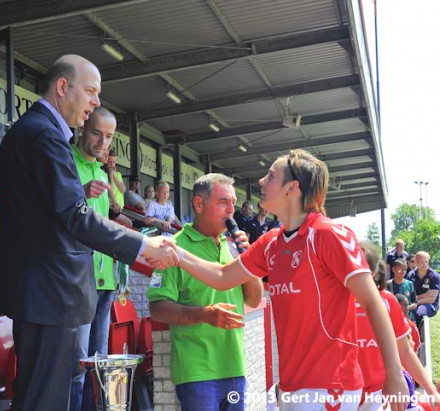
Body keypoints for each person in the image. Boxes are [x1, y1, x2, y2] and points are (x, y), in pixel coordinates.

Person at [0, 54, 178, 410]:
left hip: (43, 291)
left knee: (37, 396)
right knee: (45, 400)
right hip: (50, 293)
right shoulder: (44, 134)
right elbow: (74, 215)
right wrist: (142, 244)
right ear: (62, 87)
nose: (96, 102)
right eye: (90, 91)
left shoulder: (33, 130)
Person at [154, 149, 409, 410]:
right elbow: (221, 276)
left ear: (291, 188)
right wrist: (175, 252)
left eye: (271, 176)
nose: (261, 182)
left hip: (330, 388)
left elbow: (372, 302)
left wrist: (394, 374)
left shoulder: (329, 233)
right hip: (289, 388)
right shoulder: (270, 242)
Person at [148, 173, 263, 411]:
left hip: (235, 367)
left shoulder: (234, 246)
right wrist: (205, 314)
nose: (231, 210)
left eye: (233, 203)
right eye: (223, 202)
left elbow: (254, 298)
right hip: (197, 373)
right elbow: (157, 308)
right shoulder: (173, 248)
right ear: (198, 204)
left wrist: (248, 258)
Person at [69, 106, 118, 411]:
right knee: (76, 367)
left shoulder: (101, 171)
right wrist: (82, 194)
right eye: (97, 133)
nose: (102, 142)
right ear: (84, 129)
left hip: (106, 278)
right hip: (79, 280)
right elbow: (55, 213)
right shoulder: (66, 163)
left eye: (109, 137)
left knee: (98, 363)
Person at [355, 243, 440, 411]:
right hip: (342, 394)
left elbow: (405, 351)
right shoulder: (333, 301)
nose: (352, 270)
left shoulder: (387, 301)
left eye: (359, 266)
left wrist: (431, 391)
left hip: (378, 394)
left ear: (372, 273)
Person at [408, 251, 439, 329]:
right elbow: (408, 293)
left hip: (430, 305)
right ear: (416, 262)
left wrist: (415, 301)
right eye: (422, 262)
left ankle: (418, 336)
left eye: (426, 261)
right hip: (414, 302)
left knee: (418, 313)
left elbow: (431, 299)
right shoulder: (411, 275)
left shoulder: (434, 276)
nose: (425, 264)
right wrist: (425, 295)